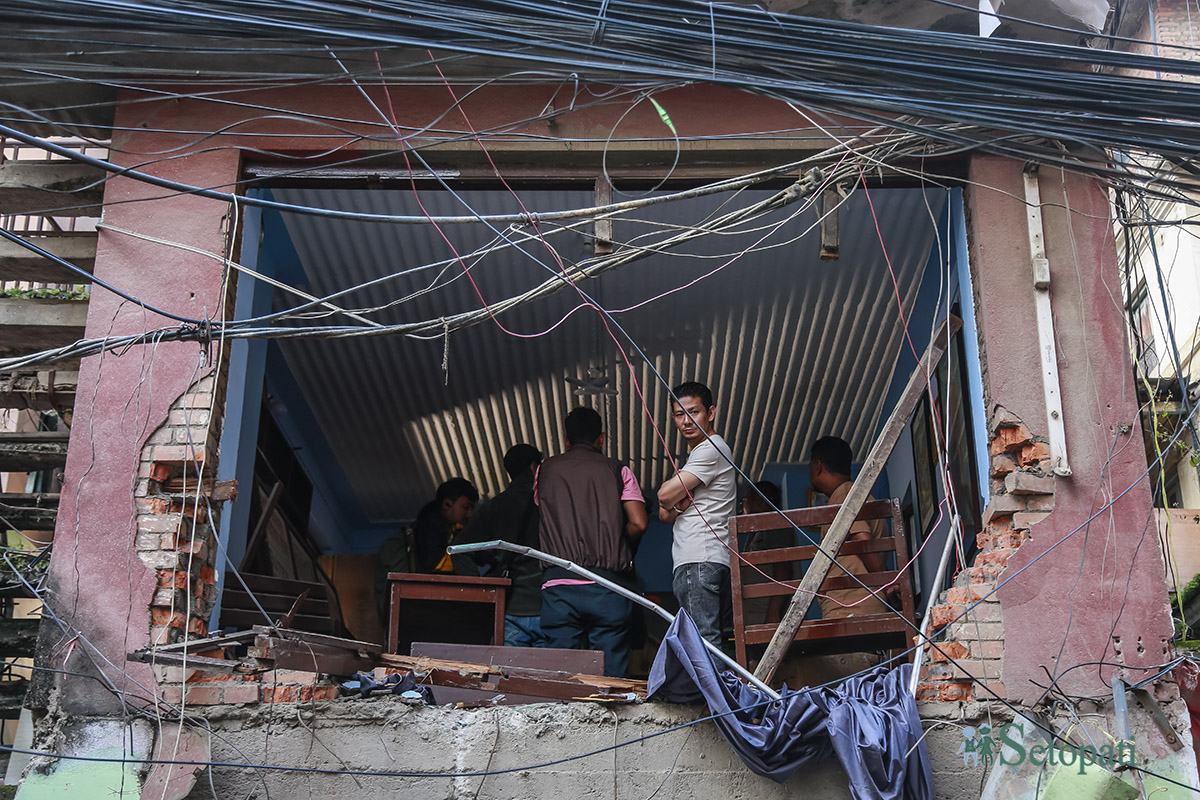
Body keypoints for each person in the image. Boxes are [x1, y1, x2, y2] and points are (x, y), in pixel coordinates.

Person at [535, 407, 647, 677]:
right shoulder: (618, 470)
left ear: (566, 440)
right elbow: (639, 523)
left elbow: (548, 511)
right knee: (608, 682)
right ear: (602, 438)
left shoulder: (545, 470)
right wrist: (615, 540)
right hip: (607, 586)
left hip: (559, 583)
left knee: (562, 678)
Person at [656, 381, 737, 650]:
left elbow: (665, 497)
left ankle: (711, 695)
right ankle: (718, 693)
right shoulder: (698, 455)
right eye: (679, 414)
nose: (686, 421)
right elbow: (664, 514)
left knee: (703, 643)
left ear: (710, 413)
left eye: (694, 412)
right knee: (709, 641)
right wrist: (680, 505)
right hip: (708, 559)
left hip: (699, 557)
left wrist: (676, 503)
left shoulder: (710, 449)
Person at [455, 444, 546, 647]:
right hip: (549, 607)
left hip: (511, 607)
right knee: (550, 677)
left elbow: (459, 549)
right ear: (534, 467)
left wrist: (477, 592)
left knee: (506, 675)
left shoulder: (496, 506)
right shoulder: (553, 501)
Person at [374, 477, 479, 623]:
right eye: (466, 507)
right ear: (447, 504)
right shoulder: (430, 524)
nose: (469, 514)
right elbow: (436, 563)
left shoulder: (444, 527)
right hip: (415, 608)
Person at [807, 436, 888, 619]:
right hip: (860, 604)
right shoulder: (857, 493)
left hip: (851, 608)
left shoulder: (844, 494)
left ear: (818, 465)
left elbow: (862, 540)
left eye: (810, 465)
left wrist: (887, 584)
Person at [741, 480, 793, 625]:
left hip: (766, 614)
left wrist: (773, 614)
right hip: (755, 613)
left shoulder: (775, 526)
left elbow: (783, 570)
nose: (743, 507)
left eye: (744, 501)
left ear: (759, 501)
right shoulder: (758, 531)